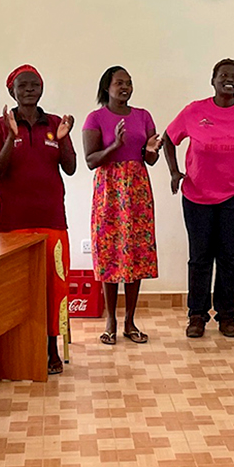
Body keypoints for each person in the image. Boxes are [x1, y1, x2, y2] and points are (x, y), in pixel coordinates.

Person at [164, 58, 234, 339]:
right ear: (212, 80)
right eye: (224, 75)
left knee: (229, 258)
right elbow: (168, 138)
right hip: (197, 195)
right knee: (200, 258)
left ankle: (227, 316)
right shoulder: (194, 111)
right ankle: (197, 316)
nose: (230, 79)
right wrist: (175, 172)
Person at [0, 65, 76, 375]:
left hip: (52, 219)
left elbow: (71, 167)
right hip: (14, 223)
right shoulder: (0, 126)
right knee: (17, 290)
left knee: (54, 288)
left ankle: (51, 348)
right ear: (12, 91)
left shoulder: (54, 123)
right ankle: (17, 350)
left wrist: (64, 138)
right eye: (23, 85)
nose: (29, 89)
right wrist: (12, 138)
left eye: (35, 85)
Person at [83, 66, 160, 346]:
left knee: (136, 255)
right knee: (110, 252)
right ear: (107, 87)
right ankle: (111, 321)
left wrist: (152, 149)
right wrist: (115, 145)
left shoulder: (143, 116)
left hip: (138, 189)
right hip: (109, 190)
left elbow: (149, 159)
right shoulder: (95, 118)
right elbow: (91, 160)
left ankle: (130, 321)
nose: (125, 87)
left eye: (129, 82)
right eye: (119, 83)